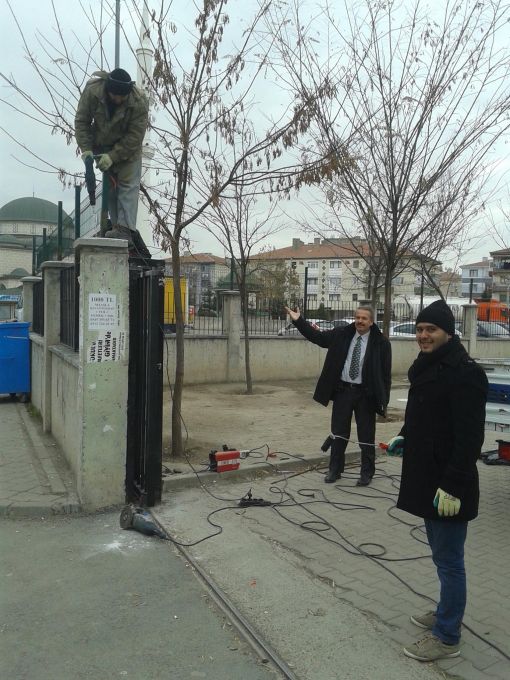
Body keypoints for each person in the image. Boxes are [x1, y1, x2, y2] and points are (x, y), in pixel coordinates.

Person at [386, 299, 488, 662]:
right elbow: (424, 415)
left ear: (449, 332)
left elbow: (470, 438)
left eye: (431, 329)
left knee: (450, 562)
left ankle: (447, 637)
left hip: (448, 484)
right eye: (419, 329)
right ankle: (446, 611)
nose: (423, 335)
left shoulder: (465, 373)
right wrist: (405, 435)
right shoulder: (426, 365)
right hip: (428, 477)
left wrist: (453, 486)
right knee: (441, 556)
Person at [284, 305, 391, 486]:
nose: (360, 321)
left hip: (366, 395)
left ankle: (367, 472)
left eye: (364, 318)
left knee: (366, 436)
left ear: (371, 322)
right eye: (357, 317)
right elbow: (317, 337)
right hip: (343, 392)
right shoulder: (342, 334)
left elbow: (385, 375)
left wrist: (383, 401)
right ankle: (335, 469)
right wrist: (298, 321)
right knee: (338, 434)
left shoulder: (381, 343)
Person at [75, 68, 150, 256]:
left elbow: (135, 136)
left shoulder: (138, 101)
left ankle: (125, 230)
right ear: (108, 90)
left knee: (128, 187)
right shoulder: (93, 91)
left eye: (122, 97)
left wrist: (113, 157)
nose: (118, 100)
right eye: (115, 96)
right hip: (102, 145)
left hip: (128, 149)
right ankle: (116, 227)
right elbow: (82, 121)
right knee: (111, 191)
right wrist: (86, 150)